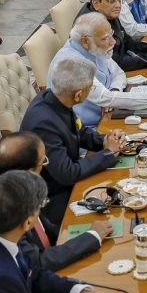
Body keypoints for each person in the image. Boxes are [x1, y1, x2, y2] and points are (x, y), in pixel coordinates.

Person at [0, 132, 113, 272]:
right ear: (28, 171)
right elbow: (35, 262)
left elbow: (42, 229)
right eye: (43, 162)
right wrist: (91, 237)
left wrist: (80, 233)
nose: (46, 165)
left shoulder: (7, 175)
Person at [22, 55, 123, 225]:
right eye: (90, 88)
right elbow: (67, 174)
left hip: (68, 179)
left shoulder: (55, 98)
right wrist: (108, 153)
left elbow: (80, 132)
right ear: (78, 95)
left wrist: (105, 139)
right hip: (52, 197)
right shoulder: (43, 124)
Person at [47, 12, 147, 129]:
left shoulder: (94, 47)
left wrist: (114, 91)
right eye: (105, 38)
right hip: (89, 131)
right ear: (85, 41)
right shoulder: (71, 63)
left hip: (111, 113)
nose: (113, 42)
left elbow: (118, 73)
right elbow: (103, 97)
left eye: (111, 35)